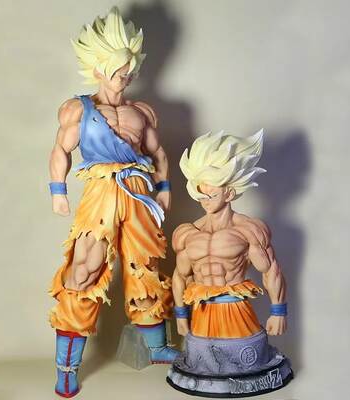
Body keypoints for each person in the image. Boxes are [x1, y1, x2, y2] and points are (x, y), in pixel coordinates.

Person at [48, 7, 178, 398]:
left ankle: (156, 347)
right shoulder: (78, 109)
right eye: (120, 67)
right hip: (101, 189)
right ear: (99, 67)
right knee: (84, 269)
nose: (127, 74)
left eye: (131, 67)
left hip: (138, 188)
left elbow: (157, 152)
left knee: (145, 264)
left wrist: (165, 186)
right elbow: (60, 150)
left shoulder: (141, 111)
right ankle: (67, 367)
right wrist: (57, 191)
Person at [167, 130, 293, 397]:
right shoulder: (187, 233)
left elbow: (270, 269)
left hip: (237, 312)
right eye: (201, 193)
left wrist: (278, 311)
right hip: (201, 314)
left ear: (230, 192)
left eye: (212, 193)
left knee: (247, 361)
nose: (205, 199)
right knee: (202, 361)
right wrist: (180, 315)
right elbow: (180, 276)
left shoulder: (248, 230)